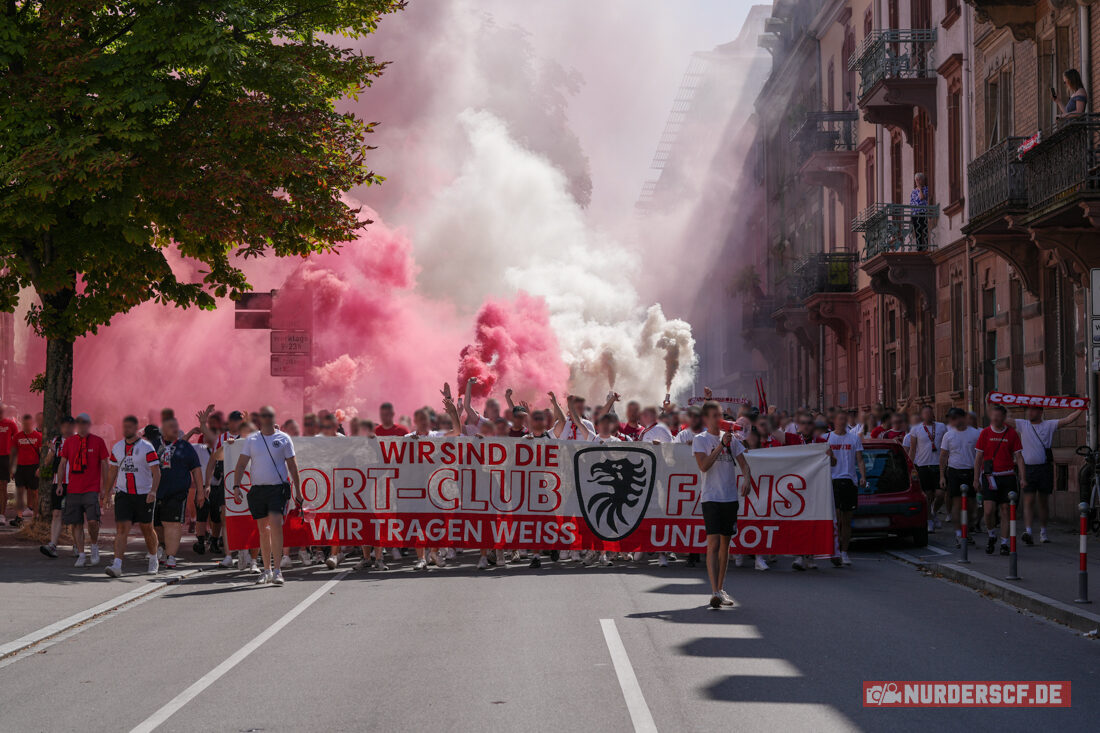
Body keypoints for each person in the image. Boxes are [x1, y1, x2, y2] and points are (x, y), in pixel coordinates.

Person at [232, 406, 302, 586]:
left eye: (270, 415)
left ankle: (278, 571)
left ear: (274, 417)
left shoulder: (284, 438)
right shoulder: (252, 440)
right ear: (260, 419)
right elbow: (241, 465)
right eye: (264, 416)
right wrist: (236, 485)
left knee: (276, 525)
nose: (267, 418)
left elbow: (293, 466)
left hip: (277, 489)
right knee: (263, 529)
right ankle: (267, 570)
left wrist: (298, 491)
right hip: (258, 490)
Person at [693, 400, 753, 609]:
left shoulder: (733, 440)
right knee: (713, 543)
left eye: (721, 415)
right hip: (711, 497)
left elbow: (745, 465)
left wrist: (746, 479)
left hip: (729, 498)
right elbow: (704, 466)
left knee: (725, 545)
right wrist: (721, 446)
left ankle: (720, 589)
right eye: (716, 416)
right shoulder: (700, 440)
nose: (721, 420)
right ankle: (714, 591)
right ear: (706, 418)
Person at [1008, 404, 1083, 545]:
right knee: (1028, 501)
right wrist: (992, 404)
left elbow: (1067, 420)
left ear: (1040, 412)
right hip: (1028, 469)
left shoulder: (1049, 425)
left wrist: (1081, 408)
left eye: (1033, 410)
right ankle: (1028, 531)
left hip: (1044, 468)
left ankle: (1043, 532)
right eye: (1028, 410)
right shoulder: (1023, 424)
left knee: (1043, 502)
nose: (1029, 412)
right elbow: (1004, 420)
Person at [104, 416, 162, 577]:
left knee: (147, 528)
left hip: (144, 494)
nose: (126, 430)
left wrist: (153, 491)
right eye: (124, 427)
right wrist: (107, 493)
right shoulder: (117, 447)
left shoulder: (147, 447)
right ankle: (117, 565)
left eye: (129, 427)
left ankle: (153, 558)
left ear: (136, 428)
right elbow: (112, 471)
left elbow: (156, 472)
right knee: (122, 529)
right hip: (123, 494)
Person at [973, 403, 1027, 555]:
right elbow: (978, 458)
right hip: (989, 477)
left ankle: (1004, 542)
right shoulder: (985, 433)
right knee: (989, 510)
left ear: (1004, 417)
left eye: (998, 416)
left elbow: (1019, 457)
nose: (995, 419)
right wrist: (976, 479)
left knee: (1005, 510)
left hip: (1007, 476)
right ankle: (991, 535)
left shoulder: (1012, 434)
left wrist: (1023, 478)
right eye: (993, 416)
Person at [58, 413, 110, 567]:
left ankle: (94, 546)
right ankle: (81, 553)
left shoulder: (98, 441)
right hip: (73, 488)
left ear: (89, 424)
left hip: (91, 488)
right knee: (76, 523)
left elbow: (105, 465)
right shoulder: (69, 442)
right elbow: (62, 463)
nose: (82, 425)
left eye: (85, 422)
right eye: (79, 422)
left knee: (93, 521)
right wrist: (60, 484)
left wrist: (105, 488)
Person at [155, 417, 204, 570]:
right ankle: (162, 547)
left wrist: (200, 492)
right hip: (155, 492)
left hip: (178, 491)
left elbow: (196, 469)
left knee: (173, 524)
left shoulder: (185, 446)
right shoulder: (155, 445)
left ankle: (171, 556)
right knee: (157, 525)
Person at [826, 410, 866, 567]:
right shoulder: (827, 438)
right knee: (836, 518)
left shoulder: (854, 438)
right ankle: (835, 550)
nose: (842, 422)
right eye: (840, 419)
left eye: (845, 419)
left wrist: (863, 476)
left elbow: (860, 460)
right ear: (835, 421)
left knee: (847, 519)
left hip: (849, 480)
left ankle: (844, 552)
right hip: (832, 480)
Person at [939, 407, 980, 548]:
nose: (953, 421)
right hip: (955, 472)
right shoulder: (949, 435)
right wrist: (942, 476)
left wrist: (978, 477)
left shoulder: (975, 434)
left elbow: (980, 456)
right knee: (957, 504)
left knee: (971, 505)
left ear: (963, 418)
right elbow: (943, 456)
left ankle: (966, 530)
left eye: (955, 417)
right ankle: (958, 533)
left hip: (970, 472)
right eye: (951, 418)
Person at [39, 416, 75, 558]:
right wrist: (52, 452)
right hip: (58, 482)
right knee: (56, 513)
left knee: (75, 515)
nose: (66, 429)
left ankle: (78, 545)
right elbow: (47, 463)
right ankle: (53, 545)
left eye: (69, 426)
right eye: (64, 426)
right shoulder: (56, 441)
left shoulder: (78, 441)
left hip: (75, 483)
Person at [907, 405, 946, 533]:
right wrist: (910, 465)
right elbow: (912, 449)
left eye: (930, 412)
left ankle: (934, 511)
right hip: (923, 465)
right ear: (922, 416)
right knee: (928, 495)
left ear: (933, 414)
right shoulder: (916, 429)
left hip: (938, 465)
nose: (928, 415)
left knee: (940, 494)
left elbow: (946, 446)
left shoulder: (941, 426)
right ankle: (929, 520)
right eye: (925, 413)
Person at [11, 413, 42, 523]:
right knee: (19, 492)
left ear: (32, 424)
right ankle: (19, 517)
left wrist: (40, 468)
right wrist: (11, 469)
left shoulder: (38, 436)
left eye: (28, 424)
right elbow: (13, 453)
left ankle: (36, 516)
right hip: (20, 467)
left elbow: (41, 454)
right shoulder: (17, 436)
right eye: (24, 424)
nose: (26, 426)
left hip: (33, 467)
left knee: (34, 492)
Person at [0, 405, 17, 525]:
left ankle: (2, 515)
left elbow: (16, 444)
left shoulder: (10, 424)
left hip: (5, 458)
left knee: (2, 486)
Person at [910, 172, 929, 249]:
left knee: (924, 229)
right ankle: (919, 248)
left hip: (922, 212)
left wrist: (920, 189)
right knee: (918, 232)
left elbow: (921, 197)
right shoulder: (913, 191)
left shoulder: (926, 189)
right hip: (915, 214)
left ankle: (926, 246)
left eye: (918, 180)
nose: (917, 181)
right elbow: (911, 203)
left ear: (922, 180)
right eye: (916, 180)